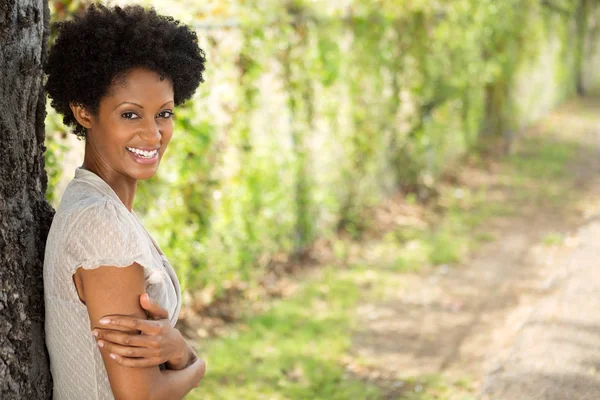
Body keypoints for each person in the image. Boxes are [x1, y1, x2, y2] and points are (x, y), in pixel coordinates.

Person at [42, 3, 207, 399]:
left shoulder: (98, 205)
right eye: (130, 115)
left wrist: (179, 352)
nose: (153, 135)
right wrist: (195, 364)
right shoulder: (101, 226)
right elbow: (139, 396)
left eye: (163, 113)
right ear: (84, 111)